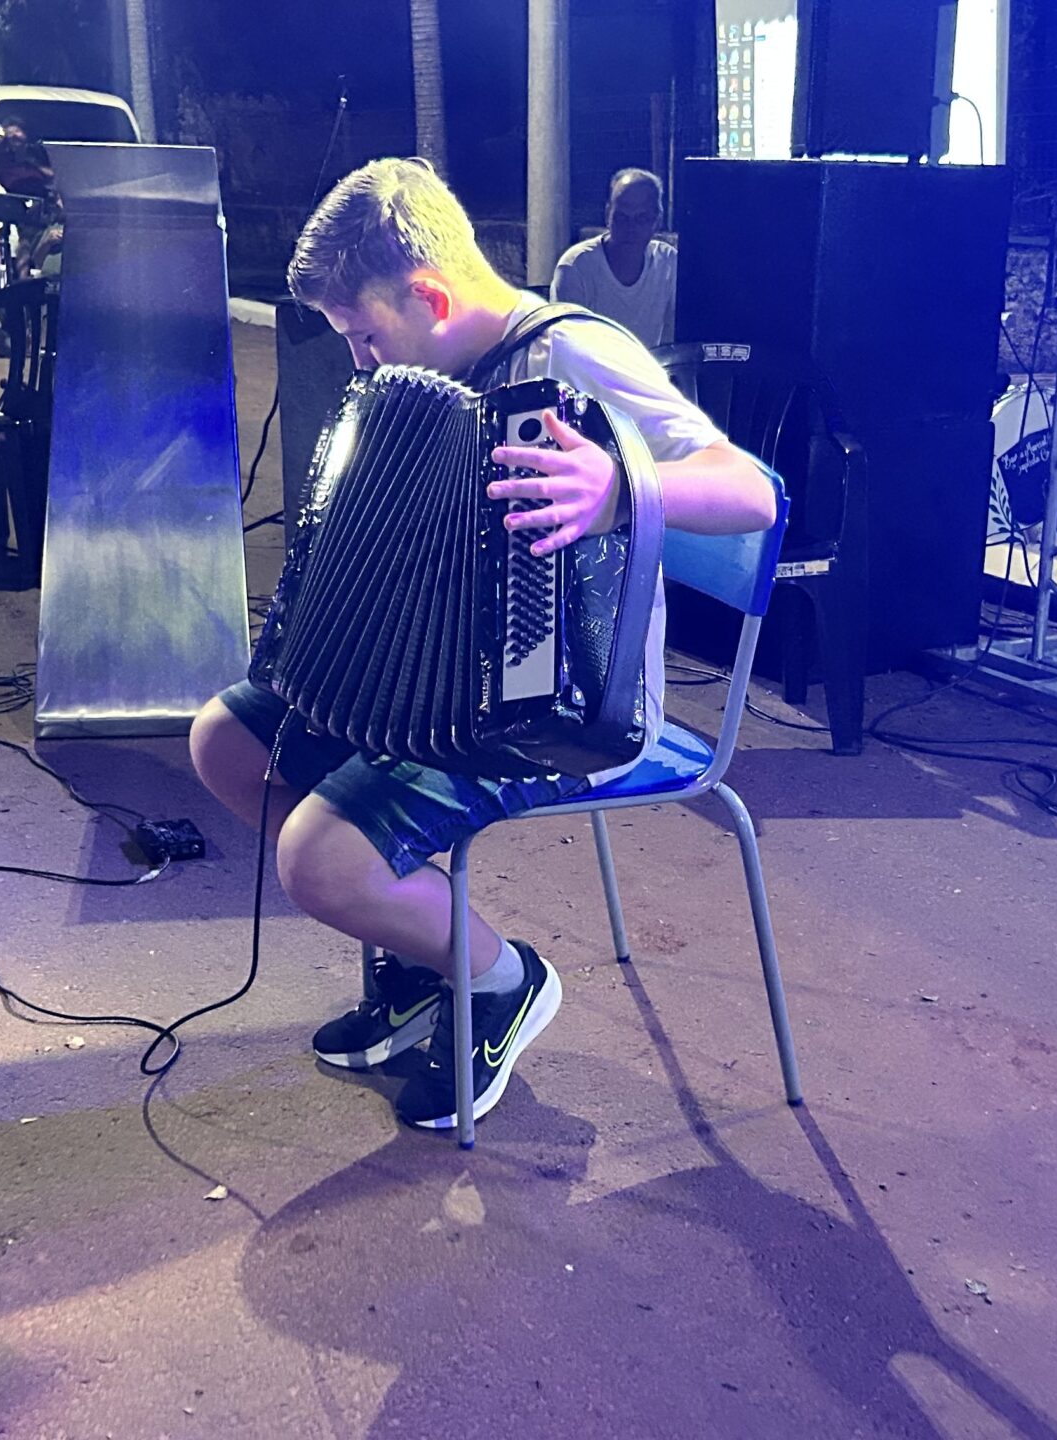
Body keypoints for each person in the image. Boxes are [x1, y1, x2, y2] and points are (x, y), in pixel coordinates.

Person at [185, 158, 778, 1132]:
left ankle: (501, 980)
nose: (361, 364)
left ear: (427, 296)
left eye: (365, 336)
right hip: (432, 682)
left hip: (561, 707)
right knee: (226, 742)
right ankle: (427, 960)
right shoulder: (425, 378)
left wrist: (620, 489)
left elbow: (749, 492)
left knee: (318, 862)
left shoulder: (572, 352)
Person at [550, 168, 677, 348]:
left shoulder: (668, 263)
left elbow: (677, 337)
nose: (630, 228)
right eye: (621, 217)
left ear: (657, 220)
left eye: (641, 219)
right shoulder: (576, 267)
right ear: (607, 215)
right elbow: (566, 343)